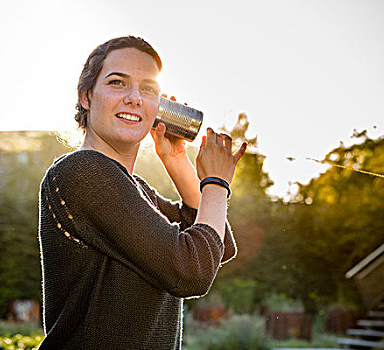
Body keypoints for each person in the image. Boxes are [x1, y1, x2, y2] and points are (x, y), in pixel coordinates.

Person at [37, 36, 247, 349]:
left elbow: (219, 246)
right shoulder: (81, 172)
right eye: (118, 83)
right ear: (86, 97)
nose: (135, 98)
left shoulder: (134, 190)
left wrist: (176, 161)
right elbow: (192, 270)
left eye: (148, 88)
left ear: (157, 108)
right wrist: (216, 182)